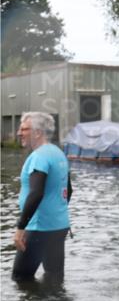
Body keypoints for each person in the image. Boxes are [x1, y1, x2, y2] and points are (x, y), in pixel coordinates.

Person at [12, 112, 72, 283]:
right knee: (54, 277)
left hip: (38, 227)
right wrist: (55, 213)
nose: (19, 133)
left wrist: (20, 228)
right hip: (59, 226)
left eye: (24, 129)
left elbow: (36, 193)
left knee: (20, 279)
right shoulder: (58, 153)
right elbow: (68, 190)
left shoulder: (39, 156)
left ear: (37, 132)